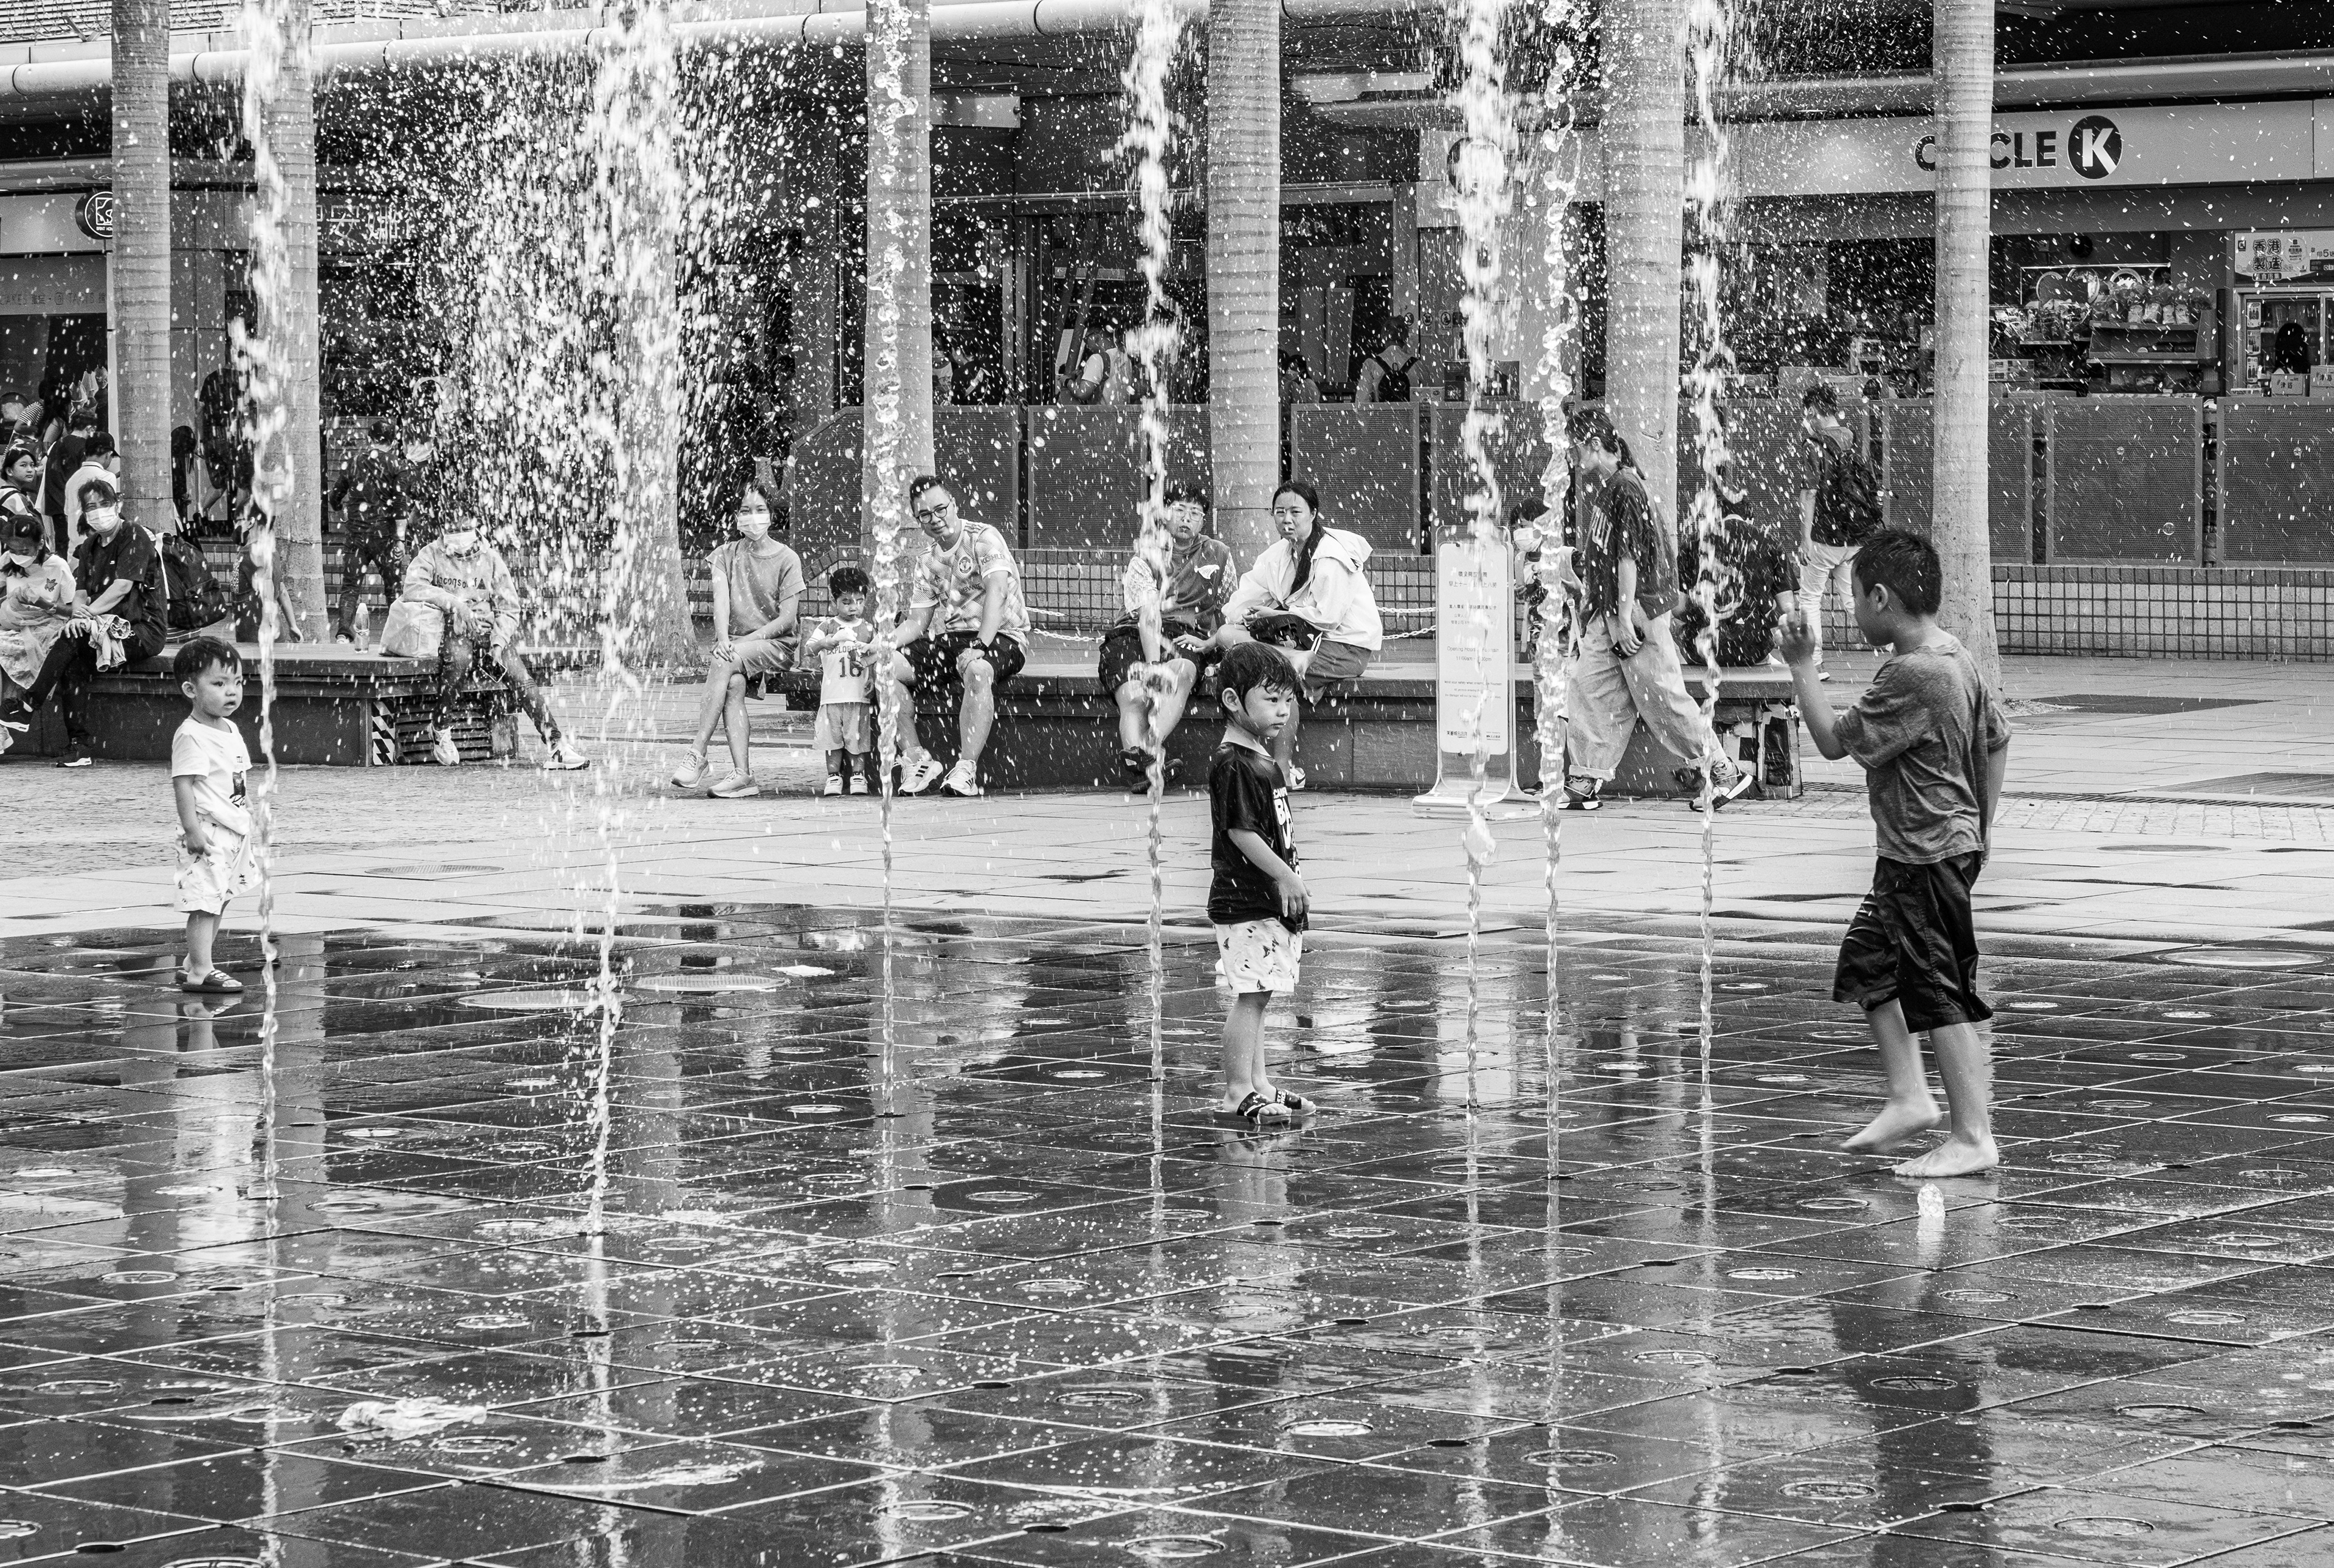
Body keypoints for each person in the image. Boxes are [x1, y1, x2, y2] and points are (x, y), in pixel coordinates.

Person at [1777, 529, 2011, 1179]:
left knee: (1938, 991)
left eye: (1854, 597)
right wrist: (1981, 827)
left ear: (1881, 598)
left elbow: (1828, 741)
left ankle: (1972, 1135)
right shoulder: (1956, 656)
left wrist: (1801, 664)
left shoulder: (1912, 674)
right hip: (1928, 852)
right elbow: (1997, 741)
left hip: (1924, 857)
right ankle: (1910, 1096)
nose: (1852, 610)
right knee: (1870, 964)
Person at [1554, 409, 1754, 813]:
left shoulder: (1625, 488)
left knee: (1663, 698)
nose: (1571, 456)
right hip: (1611, 611)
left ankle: (1723, 771)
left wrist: (1625, 617)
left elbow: (1628, 558)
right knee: (1589, 686)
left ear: (1594, 444)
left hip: (1636, 610)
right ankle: (1586, 776)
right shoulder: (1618, 484)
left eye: (1575, 447)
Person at [1207, 641, 1317, 1126]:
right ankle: (1236, 1090)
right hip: (1245, 901)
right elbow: (1241, 833)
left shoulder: (1260, 760)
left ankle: (1259, 1083)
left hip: (1265, 901)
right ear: (1234, 701)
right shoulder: (1234, 763)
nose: (1283, 710)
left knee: (1262, 992)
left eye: (1287, 701)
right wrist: (1286, 874)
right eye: (1271, 700)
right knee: (1250, 995)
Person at [1213, 478, 1381, 791]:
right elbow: (1244, 599)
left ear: (1313, 513)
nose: (1287, 520)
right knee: (1228, 634)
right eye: (1280, 513)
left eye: (1296, 512)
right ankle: (1264, 762)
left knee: (1277, 676)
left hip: (1343, 647)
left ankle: (1282, 769)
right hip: (1298, 643)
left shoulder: (1332, 556)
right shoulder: (1277, 554)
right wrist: (1248, 617)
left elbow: (1328, 619)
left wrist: (1274, 615)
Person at [875, 475, 1030, 799]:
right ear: (918, 520)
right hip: (955, 639)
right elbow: (918, 621)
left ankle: (966, 769)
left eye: (940, 509)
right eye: (925, 515)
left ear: (954, 505)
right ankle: (917, 760)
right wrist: (882, 644)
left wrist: (980, 646)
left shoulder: (983, 538)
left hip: (1002, 635)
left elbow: (997, 593)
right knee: (886, 668)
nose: (935, 519)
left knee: (978, 670)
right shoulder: (927, 561)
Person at [0, 477, 166, 767]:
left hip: (139, 630)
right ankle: (80, 746)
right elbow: (81, 593)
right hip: (100, 629)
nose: (98, 511)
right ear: (84, 512)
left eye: (104, 504)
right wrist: (79, 615)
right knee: (71, 662)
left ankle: (28, 704)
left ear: (118, 504)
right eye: (91, 506)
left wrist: (84, 616)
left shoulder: (135, 536)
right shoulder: (90, 546)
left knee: (71, 638)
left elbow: (122, 587)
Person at [396, 523, 589, 772]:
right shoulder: (432, 553)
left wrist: (498, 643)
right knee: (458, 663)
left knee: (523, 681)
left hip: (488, 631)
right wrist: (454, 604)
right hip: (452, 630)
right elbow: (413, 588)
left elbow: (509, 608)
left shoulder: (491, 558)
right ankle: (441, 728)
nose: (460, 551)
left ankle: (556, 745)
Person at [670, 481, 804, 799]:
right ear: (736, 517)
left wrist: (742, 643)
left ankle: (698, 750)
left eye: (760, 510)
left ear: (772, 516)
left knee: (724, 659)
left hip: (776, 644)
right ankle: (743, 775)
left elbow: (787, 619)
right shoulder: (725, 555)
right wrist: (721, 639)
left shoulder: (788, 559)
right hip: (736, 647)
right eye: (745, 511)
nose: (752, 517)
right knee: (733, 684)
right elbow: (721, 603)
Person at [1103, 481, 1236, 792]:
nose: (1187, 519)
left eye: (1195, 513)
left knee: (1185, 672)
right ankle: (1145, 766)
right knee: (1135, 696)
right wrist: (1152, 666)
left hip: (1187, 637)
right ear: (1166, 514)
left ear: (1204, 521)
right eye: (1180, 511)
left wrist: (1218, 648)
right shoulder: (1146, 556)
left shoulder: (1218, 554)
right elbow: (1148, 614)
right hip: (1133, 635)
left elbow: (1229, 607)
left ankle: (1145, 756)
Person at [168, 637, 260, 995]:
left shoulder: (230, 729)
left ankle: (195, 961)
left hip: (233, 828)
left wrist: (246, 802)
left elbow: (237, 773)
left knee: (220, 896)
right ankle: (201, 971)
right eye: (219, 684)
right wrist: (191, 829)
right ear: (191, 689)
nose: (232, 692)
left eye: (237, 683)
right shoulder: (191, 735)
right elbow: (184, 784)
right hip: (207, 831)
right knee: (204, 900)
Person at [1795, 383, 1883, 679]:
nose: (1809, 420)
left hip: (1825, 537)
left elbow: (1809, 493)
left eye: (1809, 414)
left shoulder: (1813, 444)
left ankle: (1816, 664)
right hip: (1856, 534)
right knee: (1853, 600)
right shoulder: (1851, 438)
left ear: (1815, 412)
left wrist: (1805, 538)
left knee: (1810, 598)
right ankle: (1895, 645)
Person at [326, 418, 413, 645]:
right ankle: (398, 635)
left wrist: (341, 507)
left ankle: (344, 635)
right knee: (393, 588)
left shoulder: (354, 462)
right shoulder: (399, 466)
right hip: (385, 536)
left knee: (350, 587)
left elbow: (335, 495)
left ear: (369, 440)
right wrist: (400, 540)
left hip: (356, 535)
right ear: (393, 442)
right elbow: (399, 506)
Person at [0, 512, 80, 750]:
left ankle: (7, 721)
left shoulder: (57, 567)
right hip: (12, 625)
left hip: (46, 627)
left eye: (24, 550)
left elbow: (74, 610)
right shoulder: (7, 561)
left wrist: (43, 604)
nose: (18, 555)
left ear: (40, 544)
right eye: (13, 549)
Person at [799, 565, 878, 796]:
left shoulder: (868, 629)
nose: (854, 607)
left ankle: (857, 776)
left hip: (858, 696)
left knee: (858, 740)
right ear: (835, 601)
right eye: (847, 602)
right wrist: (826, 642)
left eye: (859, 601)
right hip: (832, 696)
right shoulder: (827, 627)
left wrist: (871, 677)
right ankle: (834, 777)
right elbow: (809, 650)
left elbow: (874, 657)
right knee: (832, 741)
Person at [39, 407, 95, 555]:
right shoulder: (83, 447)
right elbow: (81, 478)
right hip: (72, 505)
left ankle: (61, 575)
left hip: (55, 503)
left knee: (62, 545)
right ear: (89, 428)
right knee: (77, 547)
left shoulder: (58, 443)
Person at [61, 432, 120, 549]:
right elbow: (109, 515)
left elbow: (68, 515)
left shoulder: (72, 480)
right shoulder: (108, 477)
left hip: (74, 549)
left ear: (85, 453)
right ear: (108, 455)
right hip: (96, 547)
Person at [1354, 317, 1419, 405]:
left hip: (1382, 417)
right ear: (1405, 337)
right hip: (1411, 417)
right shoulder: (1417, 365)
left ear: (1384, 336)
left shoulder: (1371, 364)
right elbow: (1429, 400)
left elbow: (1362, 403)